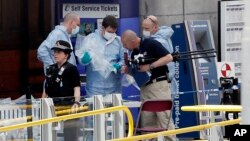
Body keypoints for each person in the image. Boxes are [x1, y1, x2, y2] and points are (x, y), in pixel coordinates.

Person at [121, 30, 176, 141]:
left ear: (132, 41)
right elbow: (139, 70)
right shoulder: (134, 53)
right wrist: (128, 70)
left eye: (125, 44)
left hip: (158, 85)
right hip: (145, 87)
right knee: (147, 122)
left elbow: (168, 57)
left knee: (164, 118)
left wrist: (150, 66)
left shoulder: (151, 43)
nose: (124, 46)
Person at [76, 15, 125, 97]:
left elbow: (123, 60)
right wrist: (84, 59)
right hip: (94, 88)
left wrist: (118, 65)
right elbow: (81, 59)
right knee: (95, 108)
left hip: (114, 88)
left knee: (114, 109)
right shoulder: (90, 39)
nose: (111, 34)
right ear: (102, 28)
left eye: (113, 32)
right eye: (109, 32)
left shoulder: (119, 42)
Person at [43, 40, 81, 141]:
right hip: (52, 106)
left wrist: (76, 102)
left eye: (59, 52)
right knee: (48, 134)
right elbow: (46, 89)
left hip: (68, 106)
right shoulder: (50, 69)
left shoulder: (71, 69)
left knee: (70, 136)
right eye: (55, 52)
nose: (55, 54)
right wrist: (42, 103)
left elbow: (76, 88)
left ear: (66, 55)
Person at [142, 15, 178, 98]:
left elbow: (167, 62)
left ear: (155, 27)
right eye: (143, 28)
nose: (144, 31)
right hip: (168, 82)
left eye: (147, 29)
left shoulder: (157, 41)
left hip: (161, 83)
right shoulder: (164, 35)